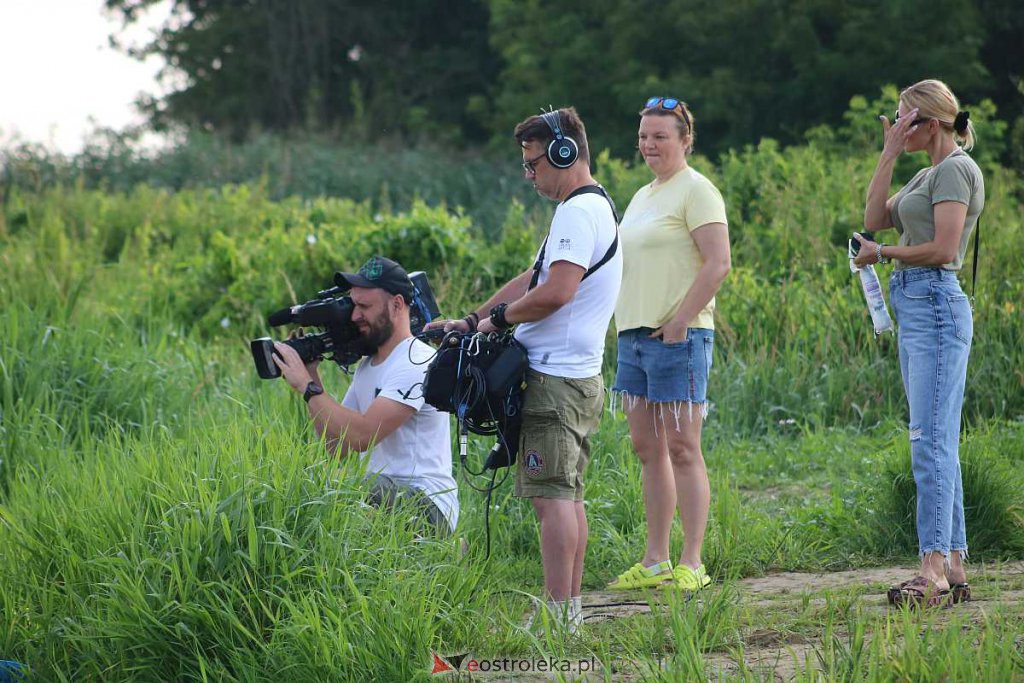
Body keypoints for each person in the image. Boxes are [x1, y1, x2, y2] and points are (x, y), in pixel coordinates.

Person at [429, 107, 621, 631]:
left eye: (534, 163)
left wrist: (495, 323)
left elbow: (556, 293)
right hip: (571, 377)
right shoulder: (588, 207)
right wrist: (472, 321)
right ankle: (569, 612)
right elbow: (534, 276)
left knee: (551, 499)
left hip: (556, 380)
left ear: (564, 153)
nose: (528, 174)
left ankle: (560, 619)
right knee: (565, 496)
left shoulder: (579, 213)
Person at [854, 79, 983, 608]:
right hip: (917, 305)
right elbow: (873, 218)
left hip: (933, 303)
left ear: (929, 122)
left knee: (928, 439)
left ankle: (931, 568)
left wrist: (883, 254)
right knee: (937, 437)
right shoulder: (927, 172)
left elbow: (944, 247)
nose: (896, 123)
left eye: (903, 118)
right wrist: (887, 153)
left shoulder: (955, 169)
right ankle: (952, 562)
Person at [606, 97, 731, 593]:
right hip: (633, 337)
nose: (648, 145)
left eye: (659, 136)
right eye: (643, 136)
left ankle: (692, 562)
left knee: (682, 446)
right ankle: (655, 559)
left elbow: (717, 263)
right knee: (647, 448)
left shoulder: (697, 191)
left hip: (680, 335)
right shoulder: (641, 196)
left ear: (685, 140)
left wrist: (680, 321)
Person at [273, 255, 459, 535]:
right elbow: (336, 446)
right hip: (380, 495)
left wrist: (306, 388)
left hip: (426, 503)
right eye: (353, 305)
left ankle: (445, 545)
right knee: (316, 489)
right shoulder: (368, 365)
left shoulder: (417, 360)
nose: (354, 315)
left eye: (364, 306)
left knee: (345, 490)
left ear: (397, 305)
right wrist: (312, 376)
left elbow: (362, 437)